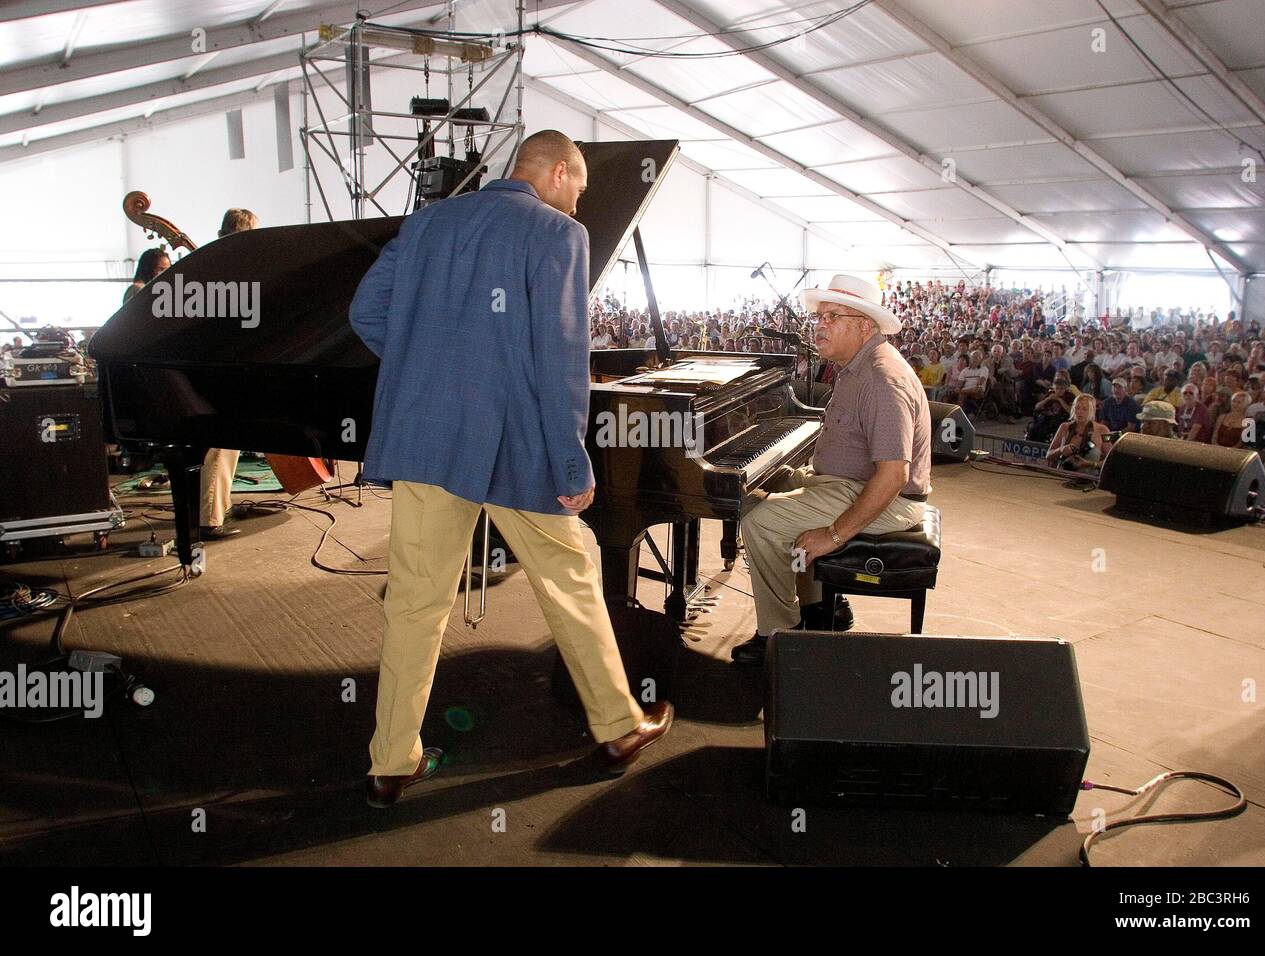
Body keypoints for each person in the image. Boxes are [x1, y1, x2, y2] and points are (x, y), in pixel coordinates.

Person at [349, 130, 671, 806]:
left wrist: (425, 364)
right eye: (577, 191)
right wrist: (570, 459)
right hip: (513, 448)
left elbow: (366, 312)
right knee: (570, 576)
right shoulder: (557, 235)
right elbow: (559, 360)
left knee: (414, 601)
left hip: (428, 441)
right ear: (557, 172)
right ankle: (617, 727)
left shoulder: (429, 220)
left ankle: (390, 763)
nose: (578, 206)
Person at [731, 273, 930, 665]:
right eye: (819, 317)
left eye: (832, 317)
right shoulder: (859, 364)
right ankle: (823, 609)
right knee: (752, 492)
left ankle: (780, 634)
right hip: (847, 482)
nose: (819, 326)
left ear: (864, 326)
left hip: (890, 498)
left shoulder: (881, 378)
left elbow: (893, 475)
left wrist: (833, 534)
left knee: (762, 521)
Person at [199, 208, 261, 540]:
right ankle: (210, 518)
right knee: (222, 443)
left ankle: (217, 507)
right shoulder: (231, 266)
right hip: (222, 366)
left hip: (214, 363)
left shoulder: (212, 262)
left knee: (227, 443)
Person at [1046, 394, 1110, 471]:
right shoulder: (1064, 427)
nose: (1080, 412)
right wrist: (1061, 450)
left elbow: (1111, 461)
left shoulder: (1103, 430)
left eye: (1084, 409)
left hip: (1088, 479)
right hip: (1063, 477)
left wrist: (1090, 464)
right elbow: (1048, 455)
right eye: (1077, 408)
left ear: (1092, 410)